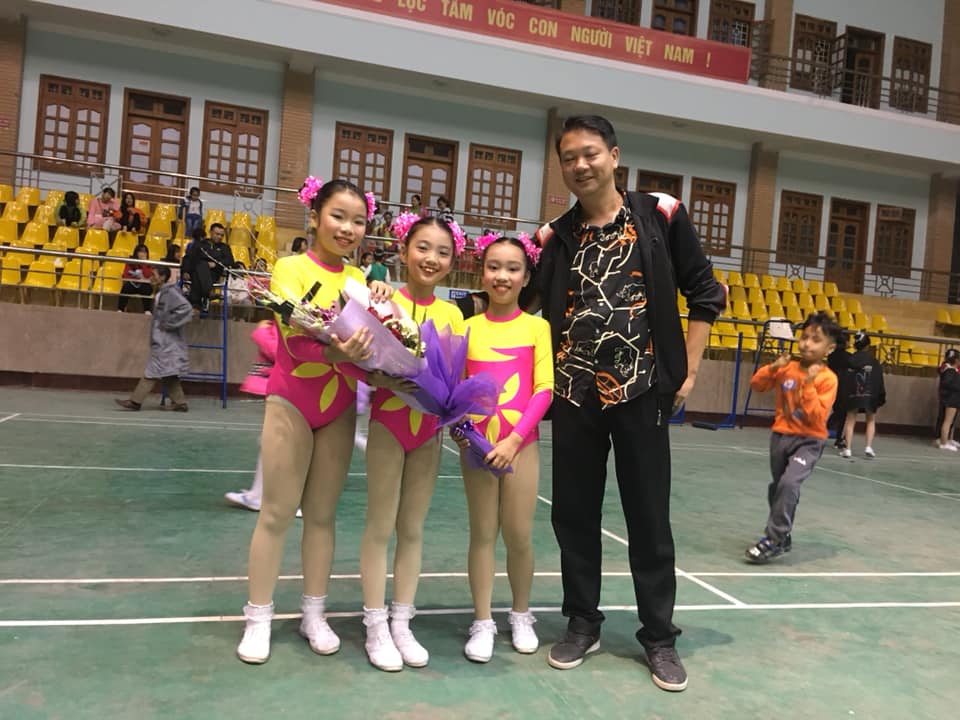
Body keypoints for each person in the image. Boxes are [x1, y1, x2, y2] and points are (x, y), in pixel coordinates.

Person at [535, 115, 725, 691]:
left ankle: (659, 637)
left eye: (590, 153)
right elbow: (522, 303)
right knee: (573, 514)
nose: (580, 165)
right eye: (569, 157)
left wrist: (689, 369)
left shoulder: (660, 214)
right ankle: (582, 622)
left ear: (614, 156)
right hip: (574, 395)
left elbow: (706, 292)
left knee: (648, 517)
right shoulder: (555, 236)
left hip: (642, 393)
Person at [236, 177, 392, 665]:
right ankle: (258, 617)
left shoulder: (361, 280)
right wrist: (338, 351)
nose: (348, 228)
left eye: (358, 221)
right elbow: (294, 336)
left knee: (322, 516)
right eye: (338, 216)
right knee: (277, 513)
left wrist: (385, 307)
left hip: (338, 405)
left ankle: (314, 614)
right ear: (315, 216)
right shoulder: (290, 268)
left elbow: (375, 345)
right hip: (291, 401)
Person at [359, 215, 466, 672]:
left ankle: (402, 621)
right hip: (389, 421)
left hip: (429, 432)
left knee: (413, 528)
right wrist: (380, 377)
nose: (431, 259)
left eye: (442, 252)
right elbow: (363, 362)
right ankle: (375, 624)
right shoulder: (383, 299)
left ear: (452, 263)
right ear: (403, 252)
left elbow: (454, 376)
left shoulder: (453, 314)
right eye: (423, 247)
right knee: (380, 525)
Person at [457, 234, 552, 664]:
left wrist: (514, 440)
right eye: (494, 267)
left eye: (513, 268)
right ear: (482, 273)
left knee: (518, 534)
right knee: (482, 533)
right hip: (478, 449)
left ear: (526, 277)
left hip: (521, 445)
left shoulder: (537, 328)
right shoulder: (467, 329)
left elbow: (544, 388)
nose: (502, 276)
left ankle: (520, 613)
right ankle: (482, 621)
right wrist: (465, 433)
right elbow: (455, 392)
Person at [744, 311, 841, 563]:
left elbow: (816, 416)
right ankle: (783, 535)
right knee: (778, 488)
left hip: (809, 440)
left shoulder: (828, 379)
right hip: (781, 436)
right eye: (804, 337)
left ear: (829, 348)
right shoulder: (787, 369)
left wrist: (808, 384)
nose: (807, 344)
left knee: (789, 484)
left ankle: (774, 539)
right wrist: (772, 368)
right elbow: (757, 385)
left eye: (816, 340)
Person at [114, 265, 192, 411]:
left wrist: (169, 323)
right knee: (168, 373)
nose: (151, 277)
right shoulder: (162, 293)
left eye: (154, 275)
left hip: (166, 342)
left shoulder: (170, 293)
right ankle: (180, 403)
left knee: (152, 371)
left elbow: (186, 308)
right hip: (163, 341)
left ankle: (135, 401)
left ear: (162, 277)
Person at [839, 330, 886, 459]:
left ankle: (848, 449)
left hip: (853, 394)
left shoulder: (850, 360)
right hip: (870, 394)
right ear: (867, 346)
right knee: (870, 419)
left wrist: (844, 395)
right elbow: (879, 380)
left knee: (850, 420)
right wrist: (880, 395)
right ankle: (868, 446)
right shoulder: (874, 361)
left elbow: (845, 379)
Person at [182, 223, 234, 312]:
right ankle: (207, 293)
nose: (220, 237)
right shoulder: (201, 244)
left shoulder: (225, 248)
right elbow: (188, 258)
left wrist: (215, 264)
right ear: (211, 232)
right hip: (197, 272)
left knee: (200, 268)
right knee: (201, 265)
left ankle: (196, 304)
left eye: (222, 235)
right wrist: (185, 271)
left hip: (213, 274)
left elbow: (230, 262)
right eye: (217, 234)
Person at [826, 330, 850, 449]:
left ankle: (821, 430)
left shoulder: (831, 355)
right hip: (843, 386)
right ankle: (838, 438)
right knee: (842, 413)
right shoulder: (848, 357)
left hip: (830, 384)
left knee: (835, 411)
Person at [118, 244, 155, 313]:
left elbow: (148, 275)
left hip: (143, 284)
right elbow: (125, 275)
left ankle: (147, 310)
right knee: (125, 288)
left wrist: (144, 263)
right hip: (132, 283)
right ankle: (120, 309)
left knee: (147, 289)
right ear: (136, 253)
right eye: (140, 251)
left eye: (145, 252)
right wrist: (135, 278)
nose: (143, 254)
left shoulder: (149, 264)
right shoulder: (130, 262)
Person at [937, 348, 960, 451]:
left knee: (949, 421)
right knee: (947, 421)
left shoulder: (950, 370)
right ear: (956, 360)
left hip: (952, 399)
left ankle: (945, 440)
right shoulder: (950, 371)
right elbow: (948, 384)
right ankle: (943, 443)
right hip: (951, 399)